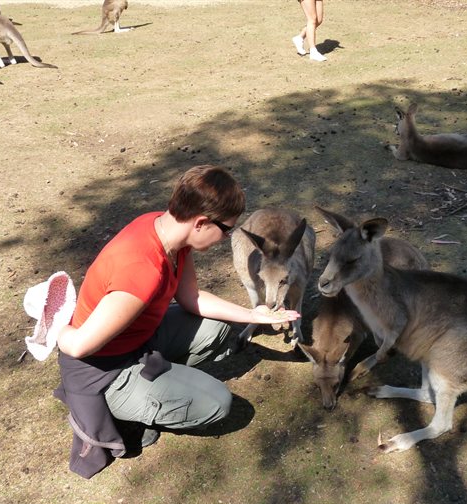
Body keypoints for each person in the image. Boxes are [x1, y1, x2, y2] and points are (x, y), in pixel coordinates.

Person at [55, 165, 299, 475]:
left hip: (135, 338)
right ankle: (121, 411)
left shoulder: (165, 232)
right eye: (225, 229)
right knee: (218, 404)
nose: (226, 238)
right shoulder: (141, 271)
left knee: (222, 329)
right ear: (200, 222)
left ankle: (162, 383)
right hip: (102, 371)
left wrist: (254, 315)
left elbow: (191, 298)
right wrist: (56, 324)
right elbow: (77, 347)